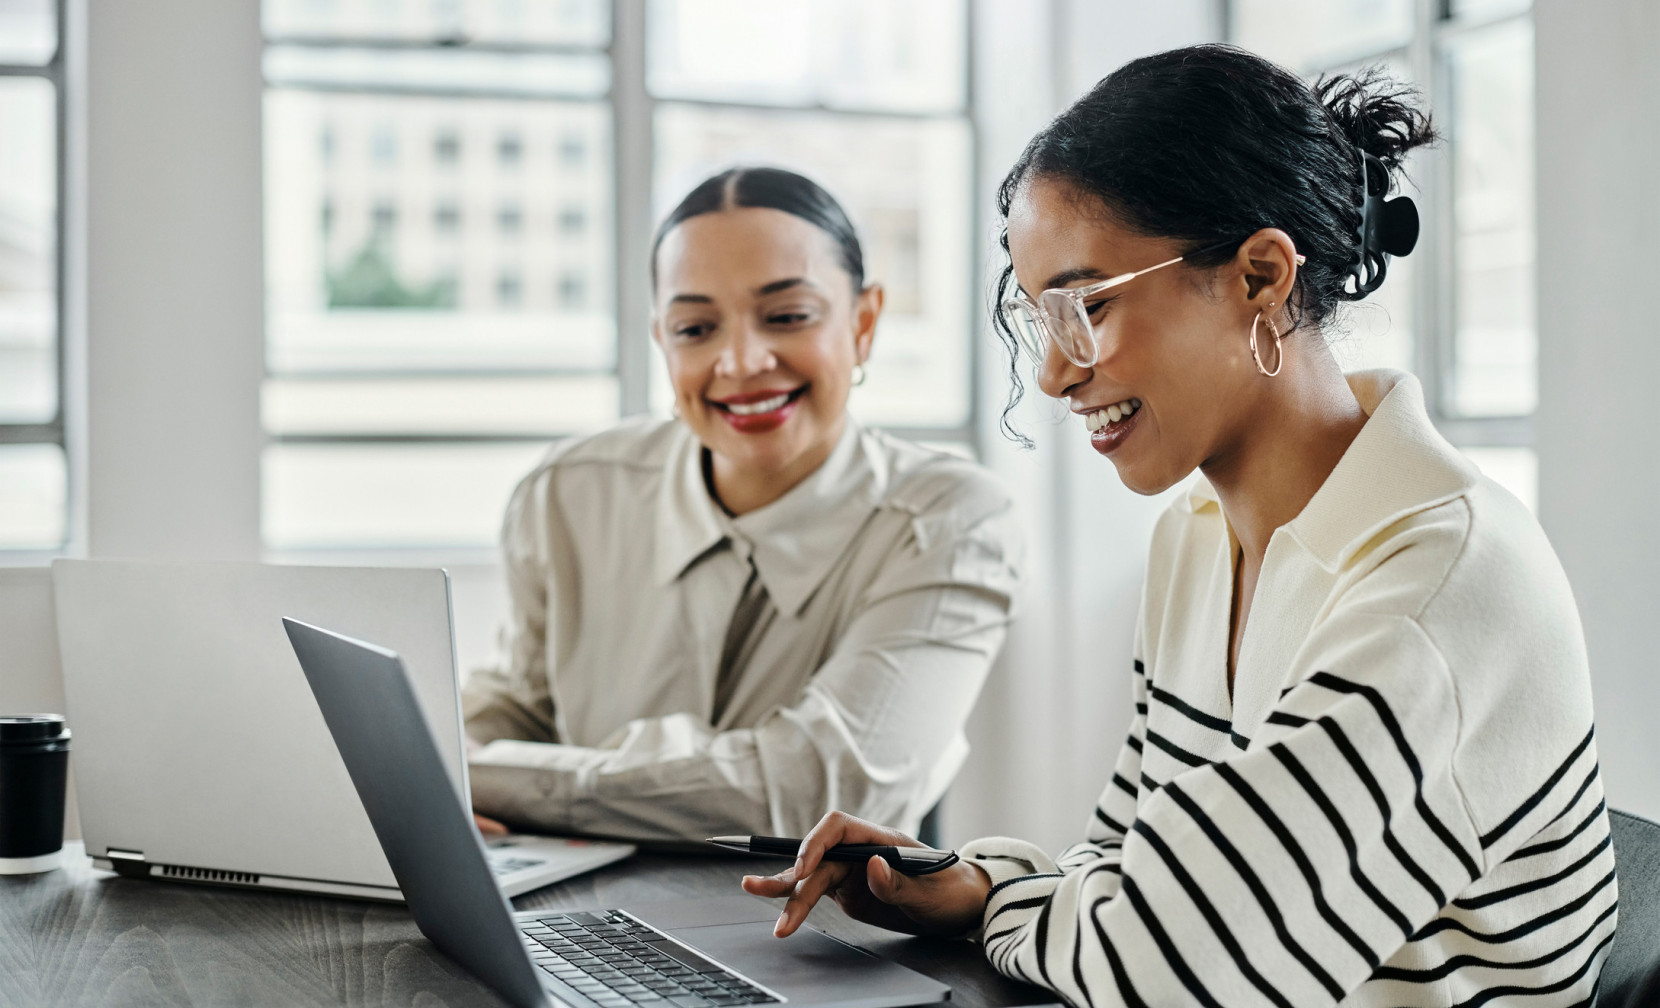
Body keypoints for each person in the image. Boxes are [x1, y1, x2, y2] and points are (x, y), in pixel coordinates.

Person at [745, 45, 1615, 1006]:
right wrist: (981, 880)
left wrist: (1015, 904)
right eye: (1043, 317)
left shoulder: (1441, 586)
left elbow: (1165, 963)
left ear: (1260, 276)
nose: (1054, 373)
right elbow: (1126, 855)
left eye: (1091, 306)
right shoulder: (1198, 536)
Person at [462, 167, 1023, 843]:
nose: (741, 361)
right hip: (581, 918)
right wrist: (438, 771)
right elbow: (516, 710)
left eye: (787, 317)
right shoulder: (568, 493)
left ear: (864, 322)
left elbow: (820, 794)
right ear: (662, 343)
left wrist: (489, 778)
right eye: (695, 328)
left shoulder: (951, 520)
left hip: (821, 936)